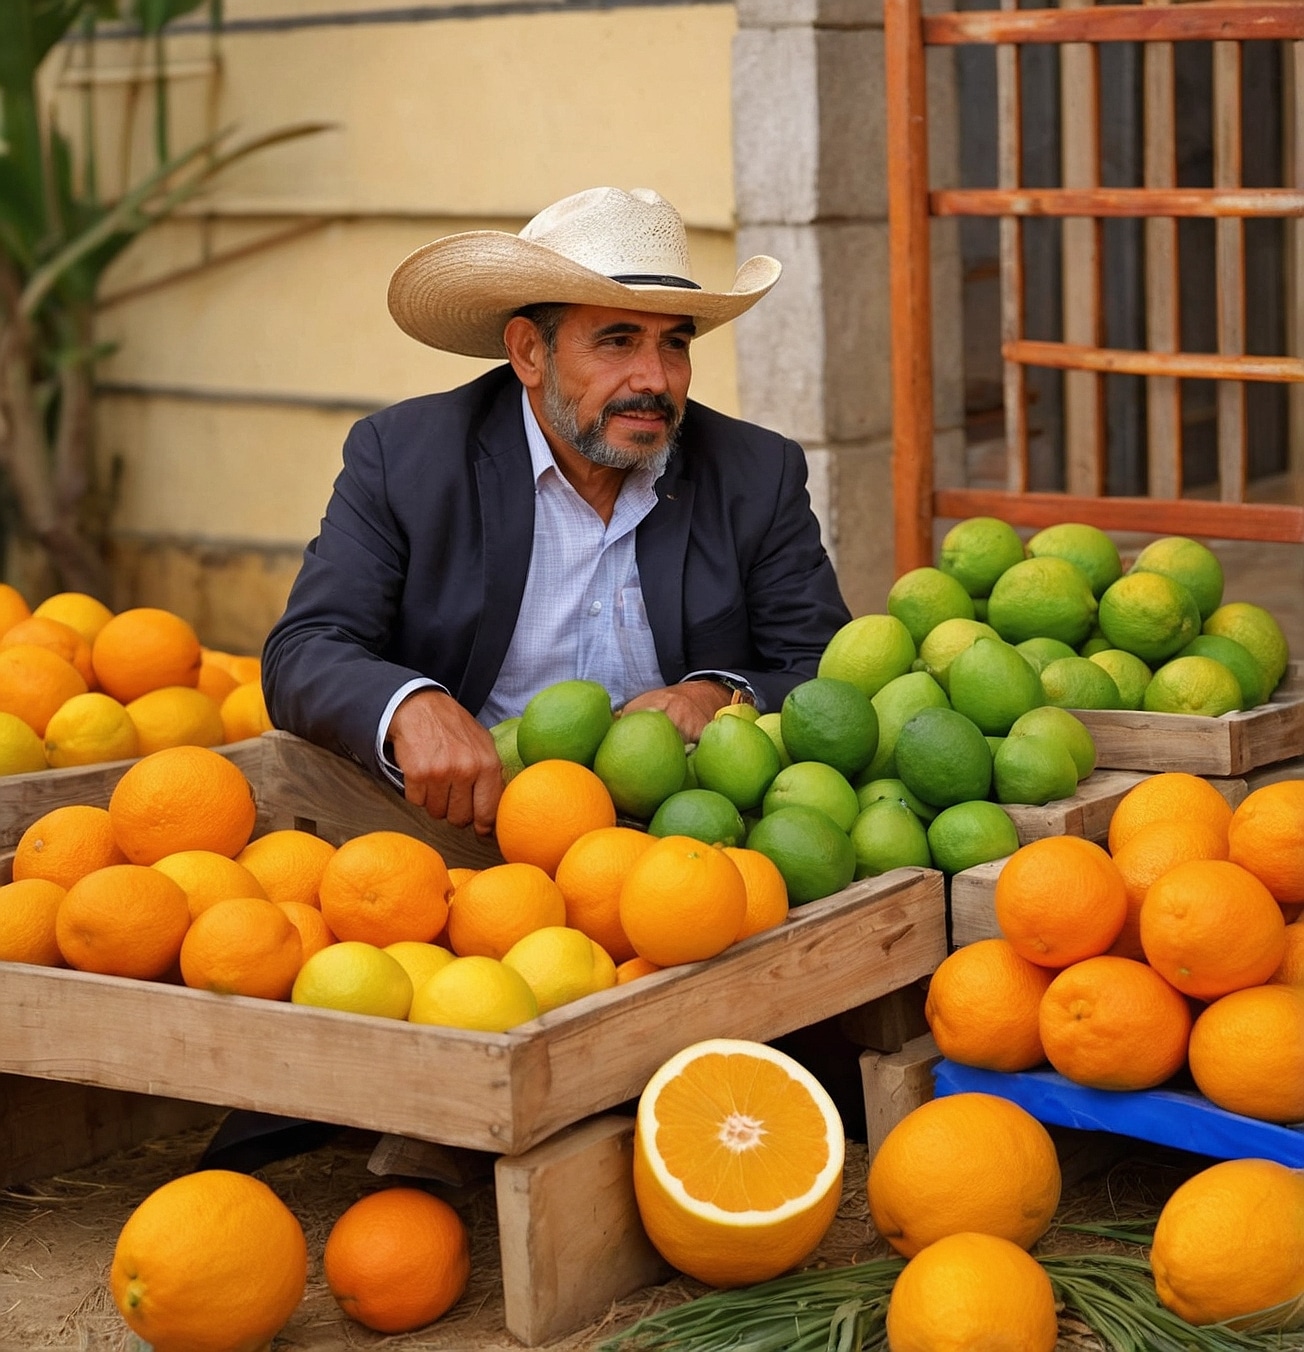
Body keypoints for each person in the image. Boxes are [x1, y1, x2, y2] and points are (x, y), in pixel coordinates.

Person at [262, 186, 850, 837]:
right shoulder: (405, 460)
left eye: (674, 345)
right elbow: (303, 652)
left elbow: (822, 668)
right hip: (459, 836)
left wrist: (717, 694)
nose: (655, 378)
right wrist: (409, 704)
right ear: (529, 353)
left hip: (687, 846)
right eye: (619, 342)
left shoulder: (755, 473)